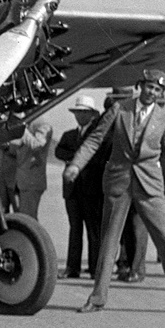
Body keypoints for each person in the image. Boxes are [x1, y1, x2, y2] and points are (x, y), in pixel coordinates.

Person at [65, 69, 165, 314]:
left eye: (158, 90)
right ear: (141, 86)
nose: (152, 93)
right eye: (149, 87)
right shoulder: (119, 109)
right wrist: (76, 164)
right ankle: (97, 298)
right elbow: (95, 139)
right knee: (109, 241)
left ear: (162, 93)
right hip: (118, 182)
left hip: (150, 186)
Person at [55, 96, 102, 278]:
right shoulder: (68, 135)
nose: (79, 116)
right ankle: (72, 267)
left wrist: (75, 157)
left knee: (93, 230)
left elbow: (97, 156)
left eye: (83, 112)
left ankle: (94, 268)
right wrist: (80, 156)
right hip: (72, 190)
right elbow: (58, 151)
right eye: (77, 112)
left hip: (91, 189)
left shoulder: (96, 135)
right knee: (74, 228)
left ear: (91, 115)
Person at [8, 119, 54, 219]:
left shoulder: (43, 125)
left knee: (28, 219)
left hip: (31, 182)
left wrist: (22, 132)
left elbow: (37, 145)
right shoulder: (25, 123)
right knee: (18, 218)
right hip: (16, 180)